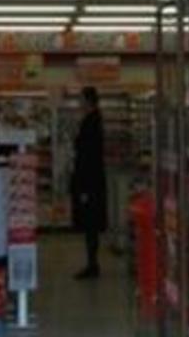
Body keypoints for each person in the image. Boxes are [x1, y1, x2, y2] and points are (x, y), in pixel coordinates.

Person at [71, 86, 107, 279]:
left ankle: (92, 264)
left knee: (90, 223)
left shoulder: (90, 122)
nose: (79, 102)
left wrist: (83, 186)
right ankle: (92, 262)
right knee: (91, 224)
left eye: (81, 99)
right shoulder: (94, 120)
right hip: (93, 181)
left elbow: (87, 156)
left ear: (88, 100)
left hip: (89, 182)